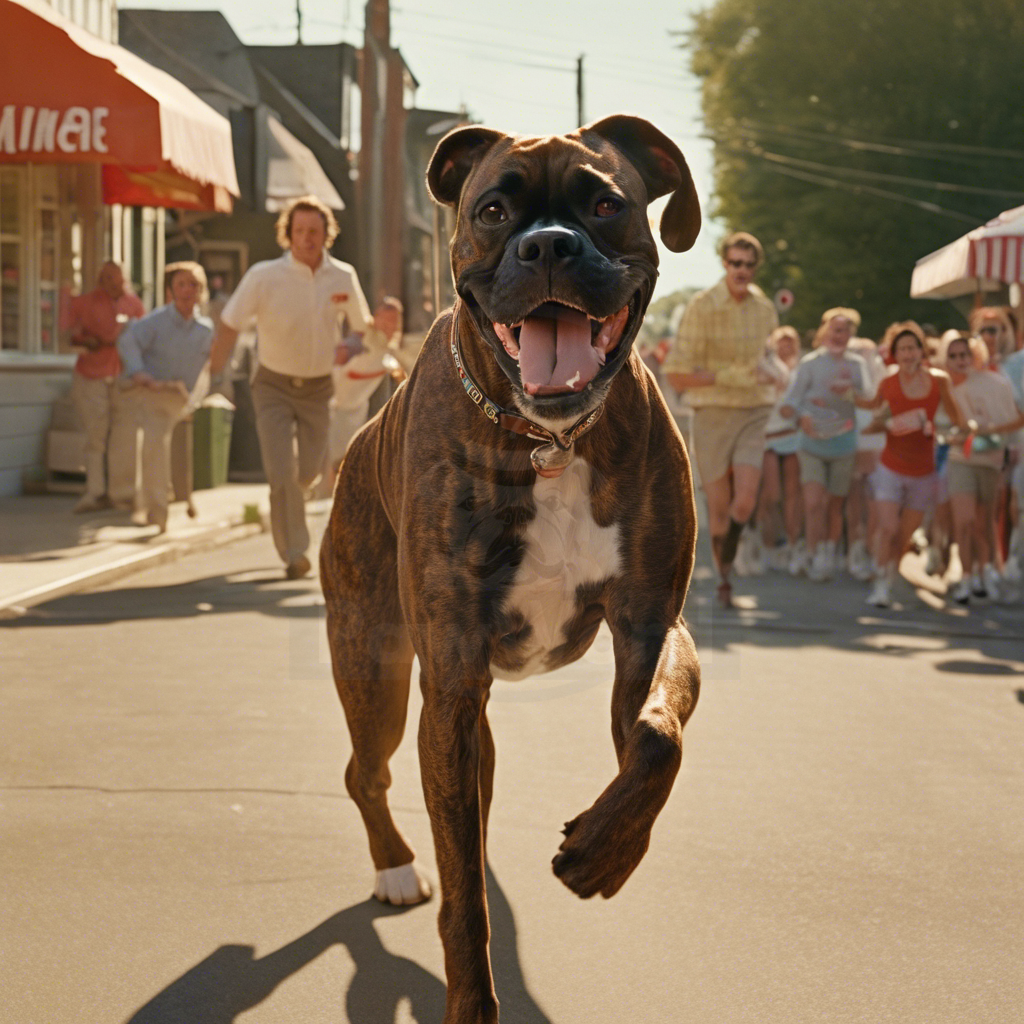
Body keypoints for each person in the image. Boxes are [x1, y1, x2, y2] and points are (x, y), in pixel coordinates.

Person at [210, 195, 371, 580]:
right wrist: (214, 372)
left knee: (308, 474)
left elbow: (360, 329)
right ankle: (294, 552)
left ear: (326, 234)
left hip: (318, 390)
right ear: (288, 235)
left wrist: (349, 346)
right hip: (272, 386)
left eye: (314, 231)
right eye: (299, 231)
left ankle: (287, 496)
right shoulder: (263, 276)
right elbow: (230, 322)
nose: (307, 238)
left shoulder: (342, 277)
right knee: (282, 471)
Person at [664, 231, 779, 607]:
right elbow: (677, 373)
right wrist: (730, 375)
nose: (741, 270)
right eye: (735, 263)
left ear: (755, 267)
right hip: (712, 413)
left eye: (748, 264)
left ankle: (730, 560)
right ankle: (724, 580)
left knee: (744, 502)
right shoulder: (702, 305)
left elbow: (768, 360)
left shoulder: (764, 308)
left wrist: (775, 371)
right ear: (725, 264)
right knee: (718, 509)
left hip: (754, 410)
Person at [856, 321, 966, 607]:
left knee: (905, 535)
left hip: (923, 470)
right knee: (888, 528)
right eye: (902, 349)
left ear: (921, 350)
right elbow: (874, 419)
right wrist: (889, 424)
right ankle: (881, 583)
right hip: (891, 466)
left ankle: (890, 573)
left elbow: (959, 423)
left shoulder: (939, 381)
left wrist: (944, 433)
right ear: (895, 354)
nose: (907, 353)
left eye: (912, 347)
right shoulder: (888, 384)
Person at [117, 262, 214, 534]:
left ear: (201, 291)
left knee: (182, 455)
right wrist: (138, 372)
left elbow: (211, 366)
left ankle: (181, 500)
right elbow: (128, 341)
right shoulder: (156, 322)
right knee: (155, 449)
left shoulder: (205, 329)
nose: (186, 290)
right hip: (156, 393)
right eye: (181, 284)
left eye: (192, 284)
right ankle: (157, 512)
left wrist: (200, 395)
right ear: (171, 290)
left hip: (183, 397)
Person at [781, 308, 868, 581]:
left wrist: (852, 392)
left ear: (850, 335)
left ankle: (827, 552)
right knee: (814, 501)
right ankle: (810, 550)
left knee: (835, 503)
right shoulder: (810, 363)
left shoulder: (856, 365)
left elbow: (869, 401)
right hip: (811, 445)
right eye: (835, 329)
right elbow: (789, 404)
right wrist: (801, 417)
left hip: (844, 444)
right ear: (824, 332)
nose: (839, 335)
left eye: (844, 330)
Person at [944, 333, 1024, 603]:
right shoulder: (945, 386)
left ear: (974, 355)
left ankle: (983, 572)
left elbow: (1015, 422)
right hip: (960, 458)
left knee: (983, 522)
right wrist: (956, 434)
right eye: (953, 356)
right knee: (964, 520)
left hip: (990, 460)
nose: (960, 361)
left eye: (964, 354)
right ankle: (965, 577)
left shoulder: (997, 383)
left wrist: (988, 430)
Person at [64, 262, 145, 513]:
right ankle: (95, 491)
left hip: (123, 374)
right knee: (95, 435)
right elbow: (69, 333)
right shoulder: (86, 302)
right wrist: (84, 339)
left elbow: (143, 336)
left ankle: (123, 494)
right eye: (108, 278)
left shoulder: (133, 304)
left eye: (117, 278)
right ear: (100, 279)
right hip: (91, 373)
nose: (113, 283)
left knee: (125, 436)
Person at [757, 325, 802, 572]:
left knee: (794, 495)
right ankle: (768, 544)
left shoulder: (801, 370)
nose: (786, 345)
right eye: (781, 341)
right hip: (767, 437)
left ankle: (793, 547)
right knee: (771, 494)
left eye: (790, 341)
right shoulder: (766, 365)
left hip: (792, 435)